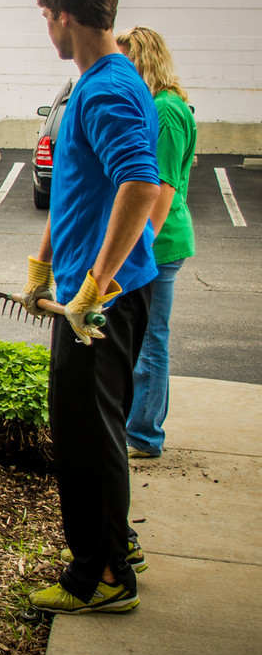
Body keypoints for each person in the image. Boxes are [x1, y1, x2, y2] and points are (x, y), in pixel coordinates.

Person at [14, 0, 161, 615]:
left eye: (46, 16)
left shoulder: (104, 88)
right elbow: (80, 191)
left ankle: (99, 576)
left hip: (96, 303)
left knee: (84, 436)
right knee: (98, 428)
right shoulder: (97, 83)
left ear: (65, 16)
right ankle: (118, 545)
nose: (46, 28)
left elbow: (140, 185)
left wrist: (94, 285)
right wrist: (43, 262)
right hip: (85, 289)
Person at [116, 27, 197, 459]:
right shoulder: (167, 105)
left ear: (144, 60)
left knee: (150, 341)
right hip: (161, 244)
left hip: (160, 245)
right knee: (148, 338)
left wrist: (136, 248)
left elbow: (160, 191)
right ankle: (142, 428)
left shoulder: (166, 110)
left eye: (128, 61)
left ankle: (144, 435)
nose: (123, 70)